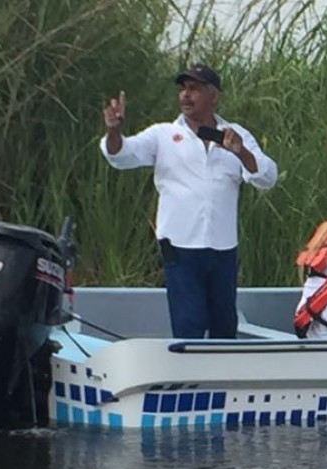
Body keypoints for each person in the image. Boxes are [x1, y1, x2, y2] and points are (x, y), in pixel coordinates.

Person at [100, 63, 278, 339]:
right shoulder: (162, 135)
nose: (185, 95)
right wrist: (114, 132)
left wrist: (241, 153)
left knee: (224, 327)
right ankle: (193, 382)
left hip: (222, 247)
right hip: (180, 247)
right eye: (183, 89)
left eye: (194, 89)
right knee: (189, 324)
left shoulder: (234, 134)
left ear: (213, 96)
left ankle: (220, 382)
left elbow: (267, 177)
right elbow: (121, 156)